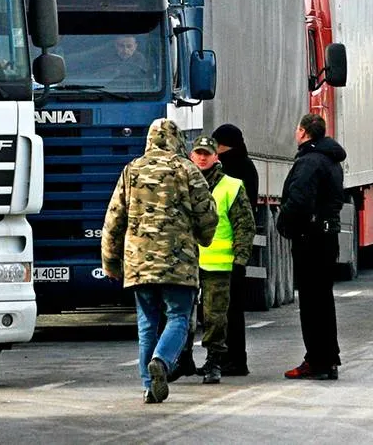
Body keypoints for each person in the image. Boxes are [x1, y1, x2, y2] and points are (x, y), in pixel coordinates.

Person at [101, 118, 217, 404]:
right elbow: (207, 213)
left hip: (139, 262)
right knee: (178, 317)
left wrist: (111, 263)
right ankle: (162, 362)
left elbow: (114, 220)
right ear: (178, 141)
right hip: (178, 261)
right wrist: (204, 237)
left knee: (146, 323)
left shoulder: (132, 170)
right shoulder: (187, 170)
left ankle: (148, 387)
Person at [176, 136, 256, 385]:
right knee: (182, 315)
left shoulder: (231, 186)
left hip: (218, 265)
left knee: (215, 317)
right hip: (187, 263)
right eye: (198, 153)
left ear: (216, 157)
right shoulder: (181, 184)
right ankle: (183, 358)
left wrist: (240, 259)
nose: (202, 157)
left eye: (207, 154)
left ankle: (214, 362)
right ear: (191, 156)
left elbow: (245, 225)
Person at [276, 113, 346, 381]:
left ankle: (317, 360)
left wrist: (286, 225)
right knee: (323, 301)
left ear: (304, 133)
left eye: (297, 129)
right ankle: (328, 359)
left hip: (311, 238)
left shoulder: (308, 162)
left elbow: (299, 200)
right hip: (328, 237)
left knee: (311, 303)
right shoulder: (331, 160)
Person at [210, 123, 258, 376]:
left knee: (226, 311)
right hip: (235, 249)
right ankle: (234, 359)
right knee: (231, 309)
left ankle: (233, 360)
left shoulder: (230, 169)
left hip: (226, 250)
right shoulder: (247, 166)